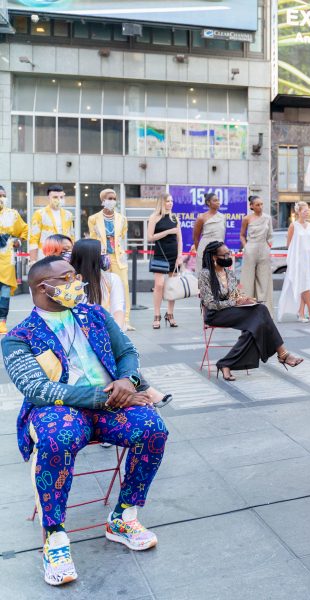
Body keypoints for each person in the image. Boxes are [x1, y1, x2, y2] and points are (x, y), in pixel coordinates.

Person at [2, 256, 168, 587]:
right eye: (67, 278)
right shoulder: (19, 337)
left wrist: (128, 380)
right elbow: (38, 389)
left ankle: (123, 516)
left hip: (113, 401)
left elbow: (127, 352)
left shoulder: (94, 314)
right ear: (42, 287)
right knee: (57, 438)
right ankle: (55, 537)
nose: (76, 282)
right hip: (60, 408)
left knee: (153, 429)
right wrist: (103, 398)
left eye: (75, 275)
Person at [198, 242, 302, 380]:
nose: (229, 257)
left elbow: (234, 295)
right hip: (215, 314)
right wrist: (235, 302)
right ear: (214, 257)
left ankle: (226, 364)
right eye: (225, 255)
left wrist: (244, 300)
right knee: (258, 319)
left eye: (229, 253)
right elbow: (210, 303)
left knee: (258, 315)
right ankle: (283, 354)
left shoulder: (229, 273)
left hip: (231, 310)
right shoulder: (205, 274)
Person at [87, 188, 132, 330]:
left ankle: (125, 320)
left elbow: (121, 236)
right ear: (103, 201)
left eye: (114, 199)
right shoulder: (93, 219)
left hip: (118, 257)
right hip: (101, 257)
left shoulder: (122, 219)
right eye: (109, 198)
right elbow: (93, 238)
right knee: (103, 287)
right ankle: (103, 318)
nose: (112, 201)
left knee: (124, 285)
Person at [278, 202, 310, 323]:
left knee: (306, 284)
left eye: (308, 210)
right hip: (298, 260)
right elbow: (289, 244)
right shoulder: (293, 226)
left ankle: (301, 313)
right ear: (298, 212)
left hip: (309, 259)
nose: (307, 212)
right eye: (304, 210)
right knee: (305, 284)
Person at [70, 239, 126, 328]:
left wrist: (116, 331)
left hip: (106, 329)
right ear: (91, 258)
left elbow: (118, 309)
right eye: (103, 253)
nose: (107, 256)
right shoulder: (69, 282)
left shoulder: (112, 279)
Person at [147, 194, 183, 329]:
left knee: (172, 285)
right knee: (159, 285)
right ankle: (156, 315)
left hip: (174, 254)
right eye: (168, 201)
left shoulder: (175, 218)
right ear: (162, 202)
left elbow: (179, 239)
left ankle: (170, 314)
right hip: (160, 254)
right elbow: (150, 238)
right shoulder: (154, 217)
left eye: (172, 201)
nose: (170, 203)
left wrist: (180, 256)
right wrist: (168, 231)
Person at [0, 185, 28, 334]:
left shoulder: (12, 214)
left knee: (4, 291)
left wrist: (18, 240)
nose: (2, 198)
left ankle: (2, 321)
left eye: (3, 195)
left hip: (6, 258)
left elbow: (24, 229)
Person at [239, 195, 274, 312]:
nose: (260, 207)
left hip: (264, 248)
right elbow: (242, 235)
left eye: (261, 204)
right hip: (251, 248)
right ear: (252, 206)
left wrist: (268, 246)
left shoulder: (267, 218)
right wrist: (246, 247)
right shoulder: (246, 219)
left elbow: (270, 235)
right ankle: (246, 308)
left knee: (264, 279)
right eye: (257, 205)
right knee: (247, 278)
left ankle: (265, 309)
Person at [29, 184, 75, 262]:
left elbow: (71, 237)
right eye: (55, 197)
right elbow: (33, 239)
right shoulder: (40, 214)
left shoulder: (68, 215)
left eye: (61, 197)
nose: (59, 199)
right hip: (45, 255)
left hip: (65, 256)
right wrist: (33, 261)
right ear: (49, 198)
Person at [192, 192, 226, 269]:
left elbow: (222, 235)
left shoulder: (223, 217)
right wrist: (200, 252)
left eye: (218, 200)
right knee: (204, 272)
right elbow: (195, 238)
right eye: (215, 200)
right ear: (208, 202)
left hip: (219, 250)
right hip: (205, 249)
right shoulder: (201, 218)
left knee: (219, 272)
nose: (218, 202)